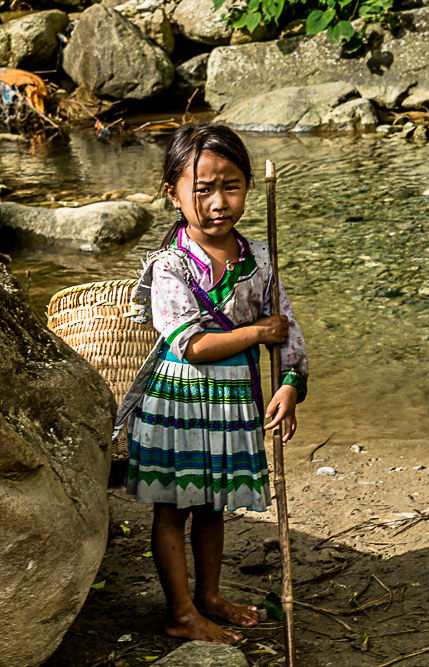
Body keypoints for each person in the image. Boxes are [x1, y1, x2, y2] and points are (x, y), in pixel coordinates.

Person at [115, 123, 308, 644]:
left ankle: (210, 595)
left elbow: (287, 327)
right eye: (202, 190)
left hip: (228, 402)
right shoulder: (169, 266)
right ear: (173, 194)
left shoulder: (259, 260)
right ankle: (180, 611)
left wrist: (289, 383)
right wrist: (257, 332)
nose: (219, 202)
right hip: (180, 401)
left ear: (248, 185)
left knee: (212, 503)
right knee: (174, 506)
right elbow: (189, 345)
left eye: (232, 186)